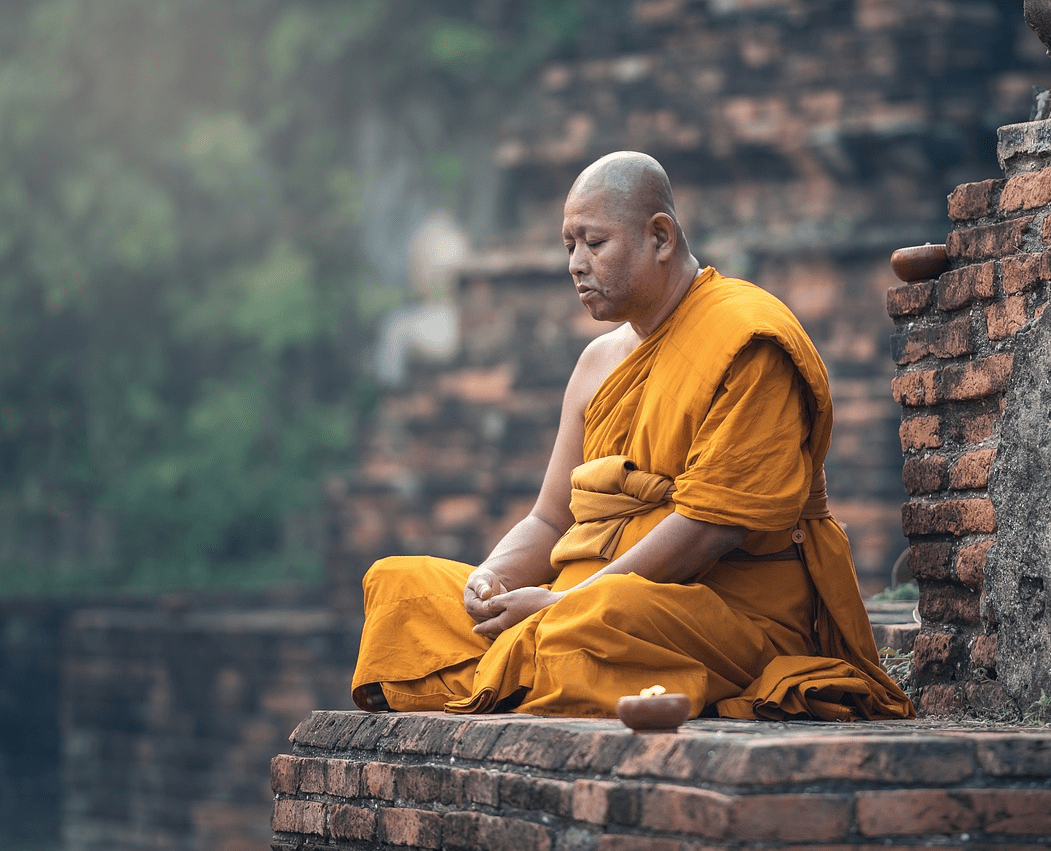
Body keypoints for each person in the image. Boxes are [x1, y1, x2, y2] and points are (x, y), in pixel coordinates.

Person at [351, 151, 914, 721]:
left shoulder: (746, 340)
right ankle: (520, 660)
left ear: (661, 237)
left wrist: (565, 602)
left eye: (594, 244)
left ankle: (513, 663)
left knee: (595, 625)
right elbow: (550, 519)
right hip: (578, 602)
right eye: (568, 245)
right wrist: (490, 579)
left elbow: (709, 529)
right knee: (399, 588)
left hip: (710, 612)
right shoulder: (597, 363)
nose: (575, 264)